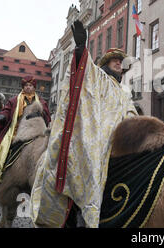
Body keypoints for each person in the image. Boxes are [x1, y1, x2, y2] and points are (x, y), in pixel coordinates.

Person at [30, 20, 137, 228]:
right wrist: (80, 49)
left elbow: (131, 113)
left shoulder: (124, 93)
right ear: (106, 64)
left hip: (117, 140)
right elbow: (83, 71)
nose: (119, 64)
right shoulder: (98, 77)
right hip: (95, 140)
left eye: (121, 63)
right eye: (115, 61)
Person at [0, 76, 50, 187]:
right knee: (1, 147)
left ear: (34, 87)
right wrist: (2, 116)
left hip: (36, 130)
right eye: (26, 86)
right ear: (23, 87)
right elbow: (7, 110)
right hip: (17, 129)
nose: (28, 88)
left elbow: (47, 116)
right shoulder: (14, 100)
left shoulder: (42, 102)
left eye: (30, 86)